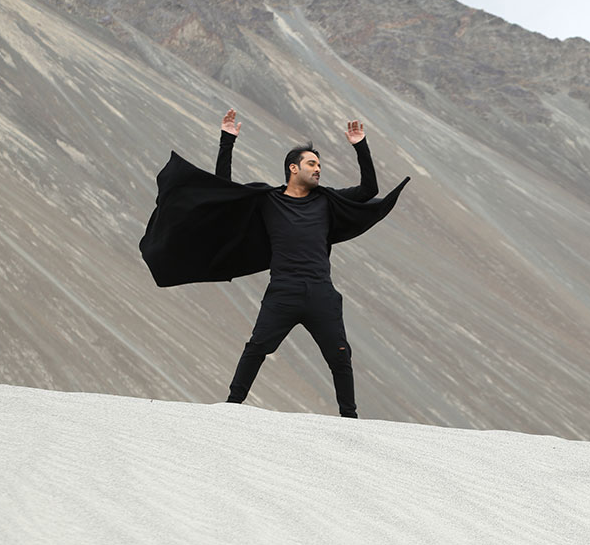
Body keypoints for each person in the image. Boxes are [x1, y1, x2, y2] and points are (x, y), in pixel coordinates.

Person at [138, 110, 410, 416]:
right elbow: (224, 191)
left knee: (340, 356)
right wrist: (227, 141)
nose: (318, 170)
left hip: (321, 292)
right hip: (283, 291)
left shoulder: (327, 200)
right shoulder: (268, 200)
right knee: (257, 348)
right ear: (293, 168)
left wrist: (360, 145)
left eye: (319, 165)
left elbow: (369, 190)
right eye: (312, 164)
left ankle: (350, 418)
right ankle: (231, 408)